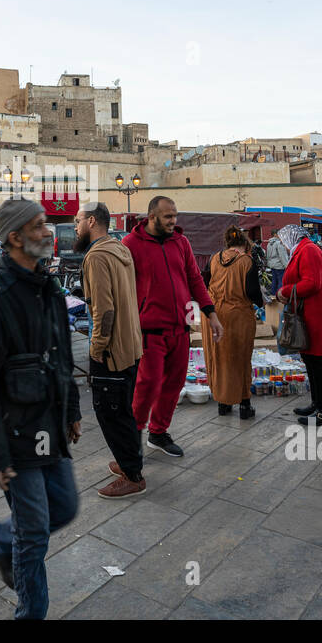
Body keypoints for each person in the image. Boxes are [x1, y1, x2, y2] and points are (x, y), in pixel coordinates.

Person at [0, 199, 80, 619]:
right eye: (37, 226)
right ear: (14, 237)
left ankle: (0, 539)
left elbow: (62, 354)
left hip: (49, 423)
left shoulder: (48, 286)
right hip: (15, 434)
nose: (48, 231)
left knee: (65, 507)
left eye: (46, 223)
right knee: (33, 534)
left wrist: (70, 410)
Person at [125, 196, 223, 458]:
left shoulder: (181, 242)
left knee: (175, 382)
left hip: (180, 326)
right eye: (168, 216)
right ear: (152, 216)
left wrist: (210, 313)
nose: (173, 221)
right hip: (148, 330)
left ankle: (158, 433)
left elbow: (194, 279)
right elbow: (120, 285)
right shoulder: (130, 244)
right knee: (148, 383)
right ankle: (133, 435)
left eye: (175, 216)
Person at [75, 202, 145, 498]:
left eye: (78, 221)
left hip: (111, 350)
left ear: (91, 222)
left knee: (111, 412)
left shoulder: (96, 256)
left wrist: (97, 347)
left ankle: (133, 475)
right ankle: (129, 461)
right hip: (131, 344)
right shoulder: (121, 249)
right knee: (123, 409)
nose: (76, 227)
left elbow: (103, 309)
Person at [278, 224, 322, 427]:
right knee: (311, 363)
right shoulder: (302, 250)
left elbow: (312, 282)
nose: (283, 245)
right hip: (308, 317)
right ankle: (316, 404)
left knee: (320, 366)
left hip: (316, 318)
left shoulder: (308, 251)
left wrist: (285, 291)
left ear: (291, 237)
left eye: (283, 241)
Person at [201, 225, 264, 418]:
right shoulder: (246, 261)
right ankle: (244, 405)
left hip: (213, 316)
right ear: (244, 244)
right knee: (240, 358)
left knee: (219, 358)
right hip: (238, 316)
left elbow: (202, 284)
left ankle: (223, 403)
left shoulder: (213, 259)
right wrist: (261, 302)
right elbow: (253, 293)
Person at [265, 228, 290, 298]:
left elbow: (267, 255)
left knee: (274, 281)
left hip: (272, 265)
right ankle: (279, 297)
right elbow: (283, 256)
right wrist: (287, 266)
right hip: (279, 265)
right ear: (275, 234)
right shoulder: (279, 243)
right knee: (281, 282)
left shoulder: (269, 243)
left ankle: (273, 296)